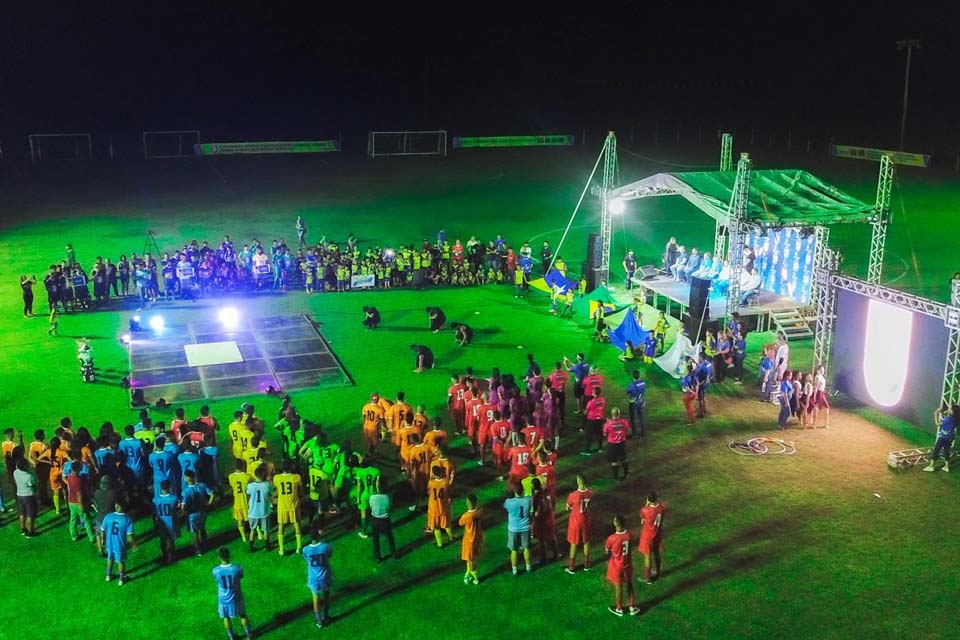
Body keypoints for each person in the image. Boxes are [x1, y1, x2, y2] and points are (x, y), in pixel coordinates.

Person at [212, 547, 252, 640]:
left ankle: (231, 638)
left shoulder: (215, 570)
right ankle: (249, 635)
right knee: (242, 615)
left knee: (226, 618)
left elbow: (216, 579)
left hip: (223, 599)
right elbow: (241, 576)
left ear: (219, 557)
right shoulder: (237, 568)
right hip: (236, 597)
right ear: (229, 555)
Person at [605, 515, 639, 616]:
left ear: (616, 524)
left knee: (618, 587)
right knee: (629, 585)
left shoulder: (612, 538)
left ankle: (619, 609)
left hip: (616, 566)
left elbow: (607, 550)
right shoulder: (630, 535)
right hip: (627, 564)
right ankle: (632, 607)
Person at [302, 526, 334, 628]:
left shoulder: (306, 549)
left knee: (315, 598)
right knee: (326, 596)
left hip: (313, 578)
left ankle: (319, 621)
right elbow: (329, 555)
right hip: (325, 576)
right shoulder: (326, 546)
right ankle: (326, 616)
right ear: (319, 534)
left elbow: (305, 558)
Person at [101, 501, 137, 585]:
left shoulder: (108, 516)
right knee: (120, 561)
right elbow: (129, 536)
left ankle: (108, 576)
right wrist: (133, 545)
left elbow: (102, 530)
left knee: (110, 559)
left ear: (115, 506)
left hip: (109, 543)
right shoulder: (127, 520)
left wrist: (103, 540)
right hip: (119, 544)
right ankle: (121, 579)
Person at [181, 470, 214, 556]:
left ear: (187, 478)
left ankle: (198, 550)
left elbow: (183, 506)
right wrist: (209, 503)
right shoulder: (202, 485)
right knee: (202, 529)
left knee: (195, 533)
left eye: (185, 477)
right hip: (202, 512)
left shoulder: (186, 491)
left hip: (192, 515)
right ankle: (205, 545)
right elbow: (212, 493)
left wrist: (184, 512)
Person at [274, 459, 303, 555]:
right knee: (297, 524)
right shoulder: (296, 477)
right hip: (293, 505)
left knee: (281, 526)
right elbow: (300, 490)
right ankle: (299, 547)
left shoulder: (276, 478)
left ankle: (281, 549)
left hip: (282, 505)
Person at [565, 473, 593, 574]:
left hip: (575, 522)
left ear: (578, 481)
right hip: (586, 520)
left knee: (574, 543)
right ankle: (586, 564)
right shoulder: (590, 492)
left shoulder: (573, 495)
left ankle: (572, 567)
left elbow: (567, 507)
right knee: (586, 541)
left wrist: (571, 507)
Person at [503, 484, 533, 575]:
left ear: (514, 492)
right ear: (522, 490)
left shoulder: (509, 502)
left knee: (514, 550)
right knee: (526, 548)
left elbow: (505, 507)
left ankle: (514, 570)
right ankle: (528, 567)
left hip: (513, 529)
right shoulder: (528, 500)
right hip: (525, 527)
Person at [639, 490, 667, 584]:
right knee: (656, 553)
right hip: (657, 534)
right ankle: (658, 572)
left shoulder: (645, 510)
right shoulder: (662, 507)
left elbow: (642, 518)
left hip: (648, 536)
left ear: (648, 499)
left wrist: (646, 505)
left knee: (647, 556)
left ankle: (647, 578)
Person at [65, 461, 95, 543]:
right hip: (78, 503)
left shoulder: (70, 477)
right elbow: (79, 495)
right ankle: (92, 537)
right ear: (78, 468)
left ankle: (74, 536)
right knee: (87, 520)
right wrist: (82, 506)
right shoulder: (77, 481)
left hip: (71, 501)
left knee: (73, 520)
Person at [369, 477, 397, 562]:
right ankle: (394, 553)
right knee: (389, 536)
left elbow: (371, 507)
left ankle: (378, 557)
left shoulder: (373, 497)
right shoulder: (388, 497)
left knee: (375, 538)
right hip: (385, 519)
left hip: (375, 519)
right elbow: (391, 507)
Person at [924, 405, 958, 473]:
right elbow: (946, 421)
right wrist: (942, 413)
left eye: (950, 408)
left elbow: (937, 423)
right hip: (950, 437)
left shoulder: (949, 418)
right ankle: (946, 467)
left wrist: (936, 415)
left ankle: (931, 467)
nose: (948, 408)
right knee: (946, 451)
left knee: (936, 450)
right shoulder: (956, 418)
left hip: (943, 437)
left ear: (952, 411)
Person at [246, 465, 273, 551]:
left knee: (252, 530)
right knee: (266, 530)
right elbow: (271, 493)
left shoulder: (250, 486)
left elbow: (248, 495)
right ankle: (267, 546)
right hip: (264, 512)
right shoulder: (267, 485)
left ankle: (251, 548)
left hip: (253, 512)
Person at [427, 464, 454, 548]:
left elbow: (428, 492)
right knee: (446, 524)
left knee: (436, 527)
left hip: (433, 507)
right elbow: (449, 493)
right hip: (443, 507)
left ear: (433, 474)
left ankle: (439, 544)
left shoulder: (431, 483)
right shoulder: (445, 482)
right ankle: (451, 538)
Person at [154, 480, 180, 564]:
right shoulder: (174, 498)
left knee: (163, 540)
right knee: (171, 541)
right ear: (169, 487)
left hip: (161, 523)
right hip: (171, 522)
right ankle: (171, 557)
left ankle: (165, 555)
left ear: (161, 488)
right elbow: (178, 509)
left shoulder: (155, 499)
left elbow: (154, 512)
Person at [459, 493, 483, 584]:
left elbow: (460, 523)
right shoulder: (480, 511)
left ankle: (475, 578)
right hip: (478, 538)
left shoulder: (467, 516)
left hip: (469, 540)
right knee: (472, 558)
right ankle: (467, 573)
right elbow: (479, 507)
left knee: (471, 560)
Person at [603, 408, 630, 480]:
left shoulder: (608, 424)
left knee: (614, 461)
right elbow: (627, 429)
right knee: (624, 459)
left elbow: (605, 434)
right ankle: (626, 473)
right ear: (619, 414)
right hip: (622, 443)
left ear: (612, 414)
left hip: (612, 445)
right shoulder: (624, 422)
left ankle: (616, 477)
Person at [14, 458, 38, 537]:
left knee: (22, 513)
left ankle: (23, 529)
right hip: (29, 496)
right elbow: (32, 485)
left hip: (19, 495)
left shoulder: (16, 472)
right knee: (30, 515)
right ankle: (30, 532)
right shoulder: (29, 476)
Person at [579, 387, 606, 456]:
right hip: (599, 419)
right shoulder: (602, 400)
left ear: (594, 393)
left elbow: (586, 412)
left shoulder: (591, 402)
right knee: (599, 434)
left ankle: (587, 450)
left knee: (589, 435)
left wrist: (584, 412)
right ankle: (600, 448)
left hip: (591, 420)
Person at [626, 370, 647, 438]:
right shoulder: (643, 383)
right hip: (641, 401)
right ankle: (643, 432)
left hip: (634, 403)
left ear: (633, 376)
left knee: (633, 418)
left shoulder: (631, 385)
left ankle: (634, 433)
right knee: (641, 417)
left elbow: (628, 392)